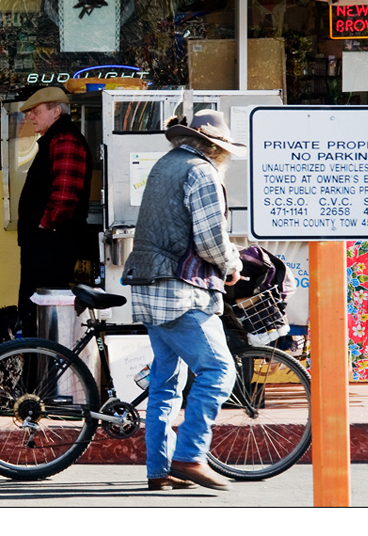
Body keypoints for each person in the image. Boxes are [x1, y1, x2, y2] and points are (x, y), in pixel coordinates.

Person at [122, 109, 245, 492]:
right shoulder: (203, 171)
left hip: (148, 285)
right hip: (180, 291)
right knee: (219, 371)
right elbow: (210, 240)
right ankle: (190, 456)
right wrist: (233, 262)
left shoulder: (166, 164)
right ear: (217, 148)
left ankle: (160, 470)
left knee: (165, 384)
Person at [12, 86, 92, 342]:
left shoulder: (65, 139)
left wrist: (41, 230)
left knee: (42, 314)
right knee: (35, 312)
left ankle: (45, 372)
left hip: (52, 247)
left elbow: (65, 197)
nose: (30, 117)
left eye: (35, 111)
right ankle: (39, 371)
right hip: (46, 245)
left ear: (56, 111)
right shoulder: (55, 139)